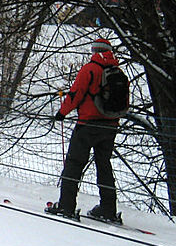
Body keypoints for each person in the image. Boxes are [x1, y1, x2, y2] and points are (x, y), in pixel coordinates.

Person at [46, 38, 125, 221]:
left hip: (87, 124)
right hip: (110, 126)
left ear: (94, 51)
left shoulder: (90, 69)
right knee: (104, 166)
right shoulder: (117, 71)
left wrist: (62, 113)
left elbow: (76, 94)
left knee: (74, 164)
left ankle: (66, 206)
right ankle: (108, 209)